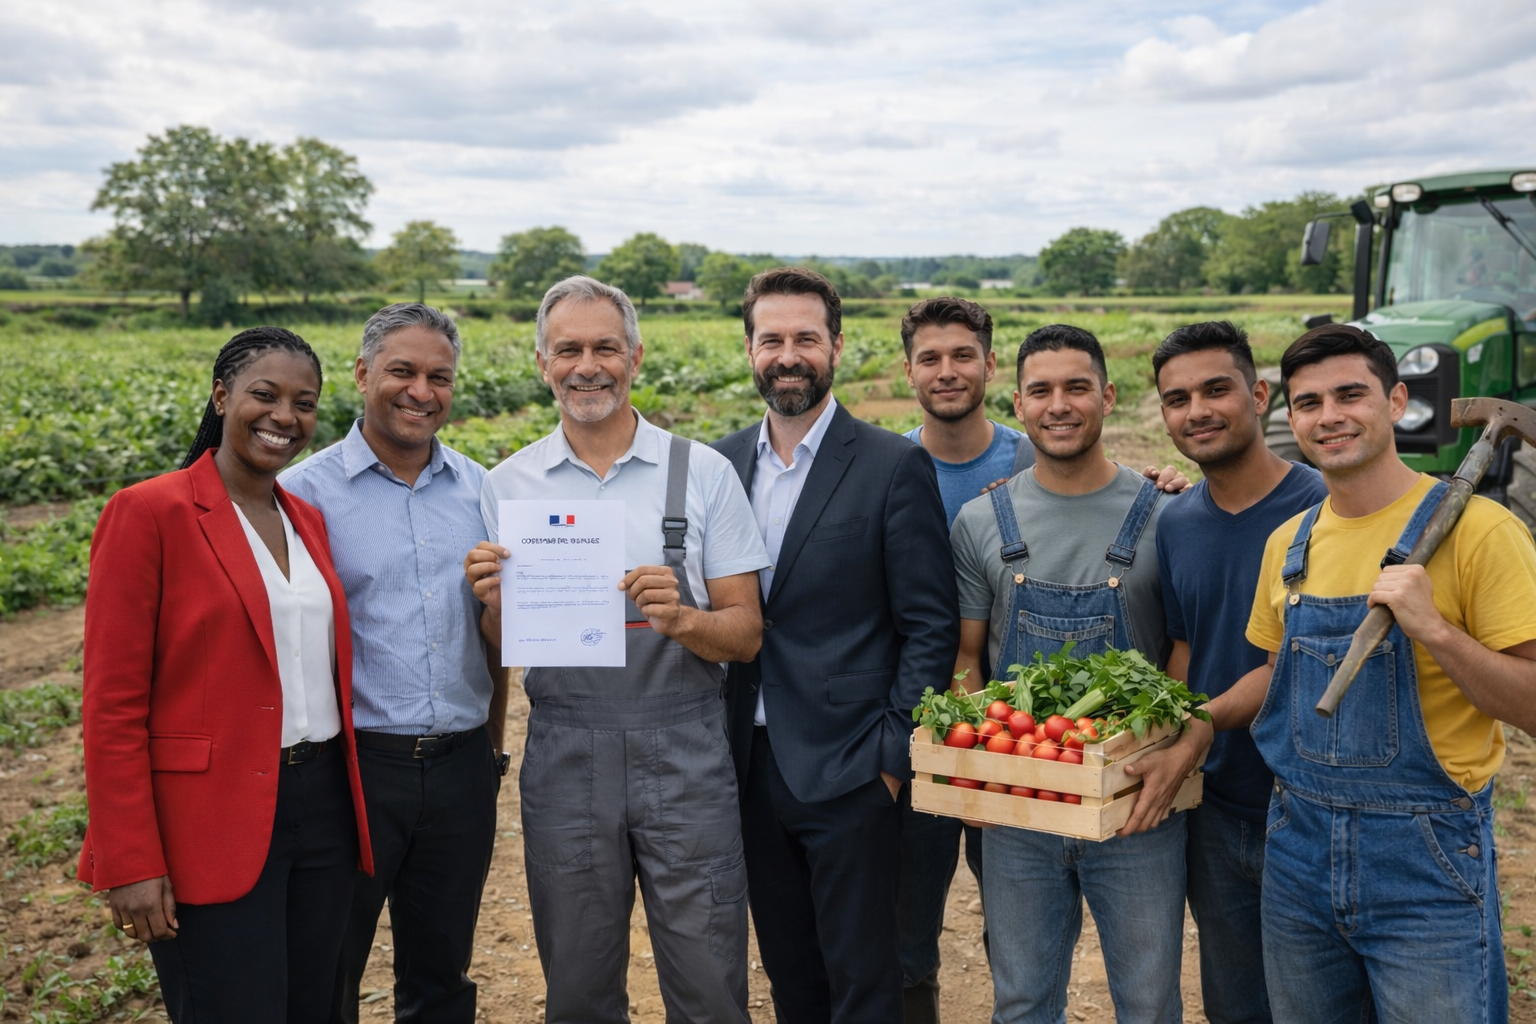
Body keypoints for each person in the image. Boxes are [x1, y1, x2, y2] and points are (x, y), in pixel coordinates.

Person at [464, 276, 768, 1024]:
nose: (587, 366)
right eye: (567, 350)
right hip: (566, 754)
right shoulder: (506, 485)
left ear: (634, 356)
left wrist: (686, 620)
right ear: (542, 363)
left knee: (709, 981)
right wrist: (496, 607)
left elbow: (747, 632)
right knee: (578, 983)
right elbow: (501, 649)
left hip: (686, 752)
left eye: (605, 347)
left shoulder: (702, 472)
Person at [1222, 323, 1536, 1023]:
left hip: (1425, 862)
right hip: (1296, 851)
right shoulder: (1289, 544)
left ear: (1396, 402)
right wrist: (1194, 721)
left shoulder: (1482, 532)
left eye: (1350, 395)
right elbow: (1276, 678)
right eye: (1308, 403)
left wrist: (1435, 631)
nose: (1329, 416)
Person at [896, 297, 1192, 1024]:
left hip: (1136, 804)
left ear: (1108, 397)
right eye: (1041, 391)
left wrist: (1171, 749)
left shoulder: (1167, 514)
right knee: (1023, 1001)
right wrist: (985, 773)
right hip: (1022, 805)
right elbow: (967, 657)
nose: (1059, 406)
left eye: (1077, 387)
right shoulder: (981, 520)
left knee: (1149, 1003)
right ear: (1018, 403)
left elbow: (1184, 652)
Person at [79, 327, 372, 1023]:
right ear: (220, 397)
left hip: (323, 809)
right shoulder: (150, 512)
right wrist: (131, 860)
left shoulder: (305, 519)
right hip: (209, 823)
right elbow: (112, 705)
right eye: (264, 395)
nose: (284, 417)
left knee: (314, 1009)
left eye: (304, 404)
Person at [712, 267, 960, 1024]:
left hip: (852, 768)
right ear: (749, 349)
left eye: (806, 339)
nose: (788, 356)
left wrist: (890, 758)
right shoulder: (718, 464)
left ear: (837, 347)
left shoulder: (892, 464)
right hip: (747, 764)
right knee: (792, 975)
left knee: (863, 981)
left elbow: (930, 626)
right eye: (772, 339)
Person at [278, 303, 507, 1024]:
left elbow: (497, 633)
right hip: (350, 770)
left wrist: (492, 750)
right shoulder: (300, 495)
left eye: (440, 377)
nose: (421, 392)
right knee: (328, 970)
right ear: (362, 373)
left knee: (442, 972)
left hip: (462, 766)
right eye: (402, 371)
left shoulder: (483, 491)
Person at [1116, 321, 1329, 1024]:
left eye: (1216, 390)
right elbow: (1185, 650)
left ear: (1260, 396)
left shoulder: (1324, 507)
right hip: (1215, 803)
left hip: (1309, 804)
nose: (1197, 411)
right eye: (1177, 399)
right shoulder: (1177, 522)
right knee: (1235, 1002)